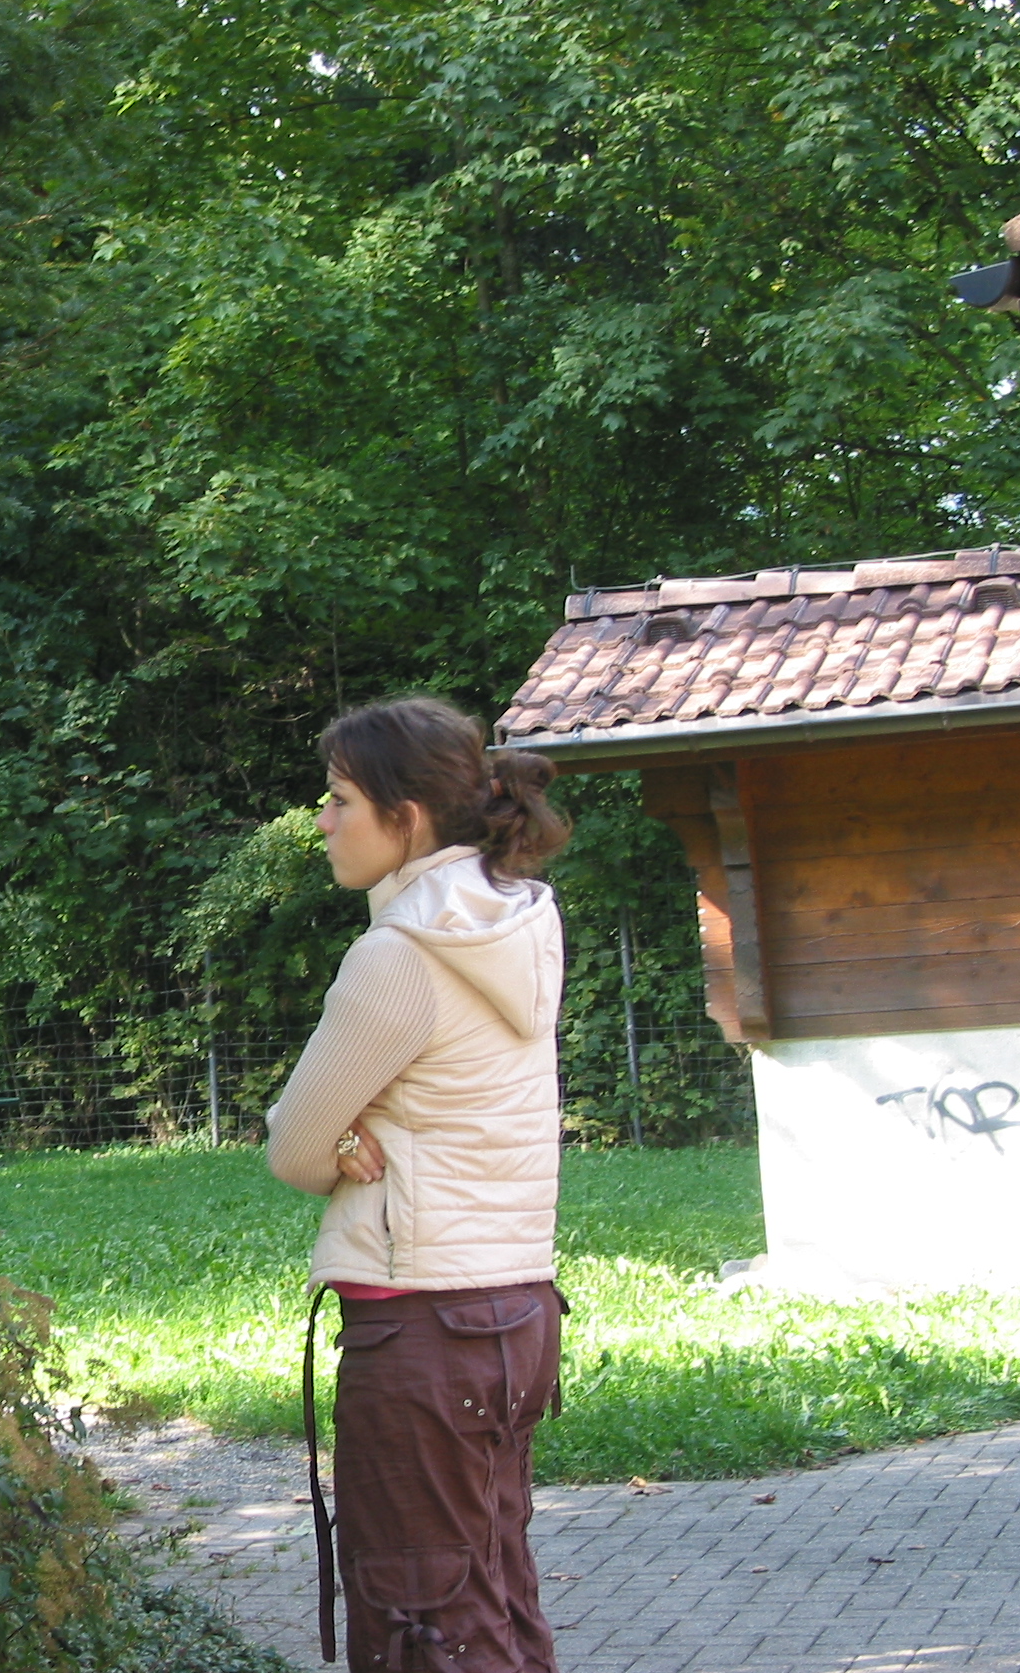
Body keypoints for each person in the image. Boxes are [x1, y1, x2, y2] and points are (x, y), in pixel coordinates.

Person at [266, 695, 572, 1673]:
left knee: (422, 1623)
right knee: (488, 1598)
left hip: (426, 1332)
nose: (322, 819)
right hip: (513, 1313)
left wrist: (340, 1137)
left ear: (404, 818)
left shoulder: (397, 958)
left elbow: (291, 1148)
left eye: (340, 798)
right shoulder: (512, 924)